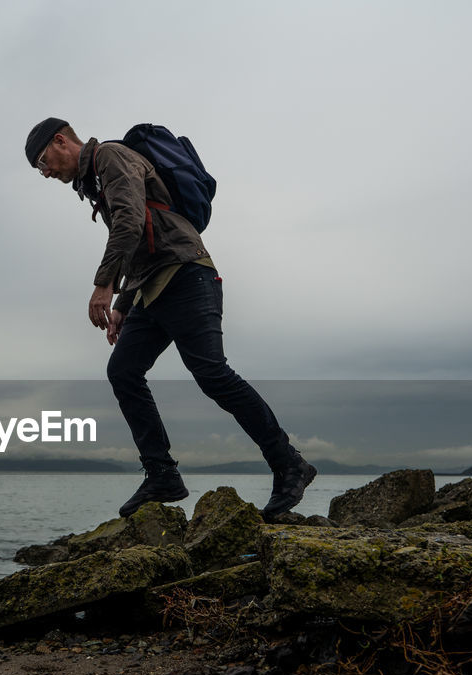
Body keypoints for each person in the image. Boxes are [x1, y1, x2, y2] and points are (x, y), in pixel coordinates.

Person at [25, 117, 315, 519]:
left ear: (61, 140)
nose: (45, 172)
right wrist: (124, 304)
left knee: (213, 375)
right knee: (123, 372)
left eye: (43, 161)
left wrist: (104, 285)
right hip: (151, 287)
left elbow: (128, 219)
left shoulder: (110, 156)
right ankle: (162, 474)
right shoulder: (94, 179)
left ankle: (289, 464)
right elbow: (140, 240)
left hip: (186, 274)